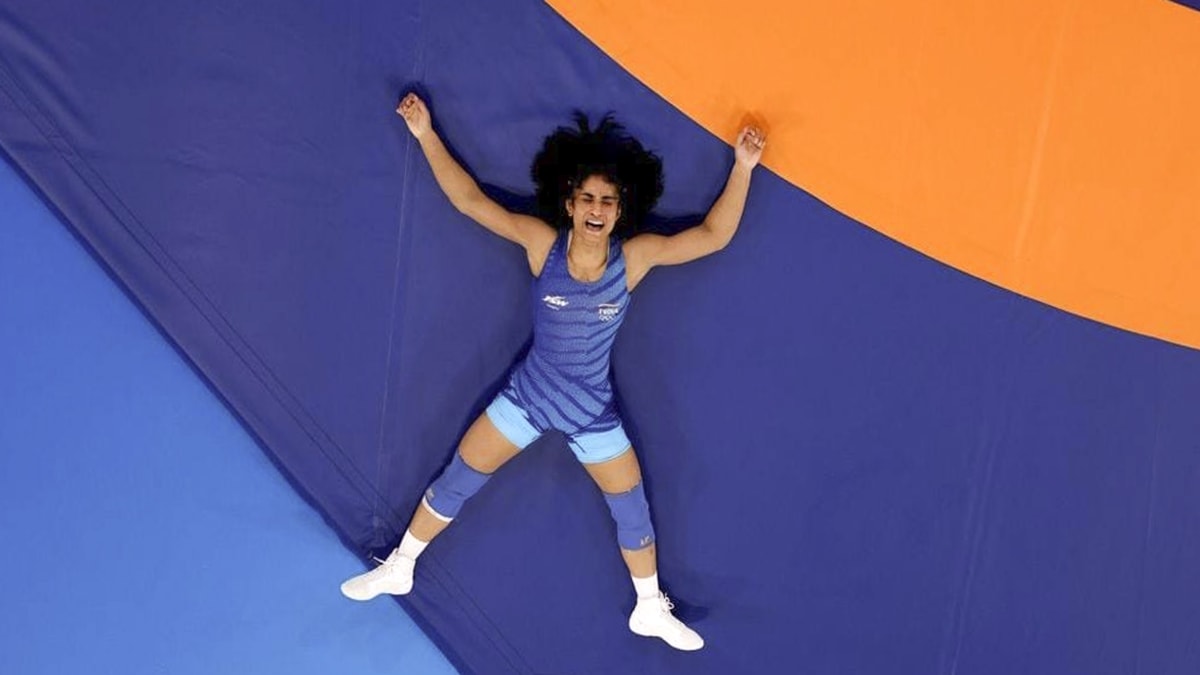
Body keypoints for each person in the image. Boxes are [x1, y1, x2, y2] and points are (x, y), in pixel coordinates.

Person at [340, 91, 766, 652]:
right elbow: (469, 202)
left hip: (593, 414)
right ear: (569, 204)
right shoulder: (543, 246)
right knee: (457, 480)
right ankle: (400, 567)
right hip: (528, 399)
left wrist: (743, 168)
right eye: (587, 197)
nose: (596, 208)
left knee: (633, 512)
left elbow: (713, 237)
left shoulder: (634, 260)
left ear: (619, 211)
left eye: (607, 200)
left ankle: (648, 609)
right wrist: (424, 134)